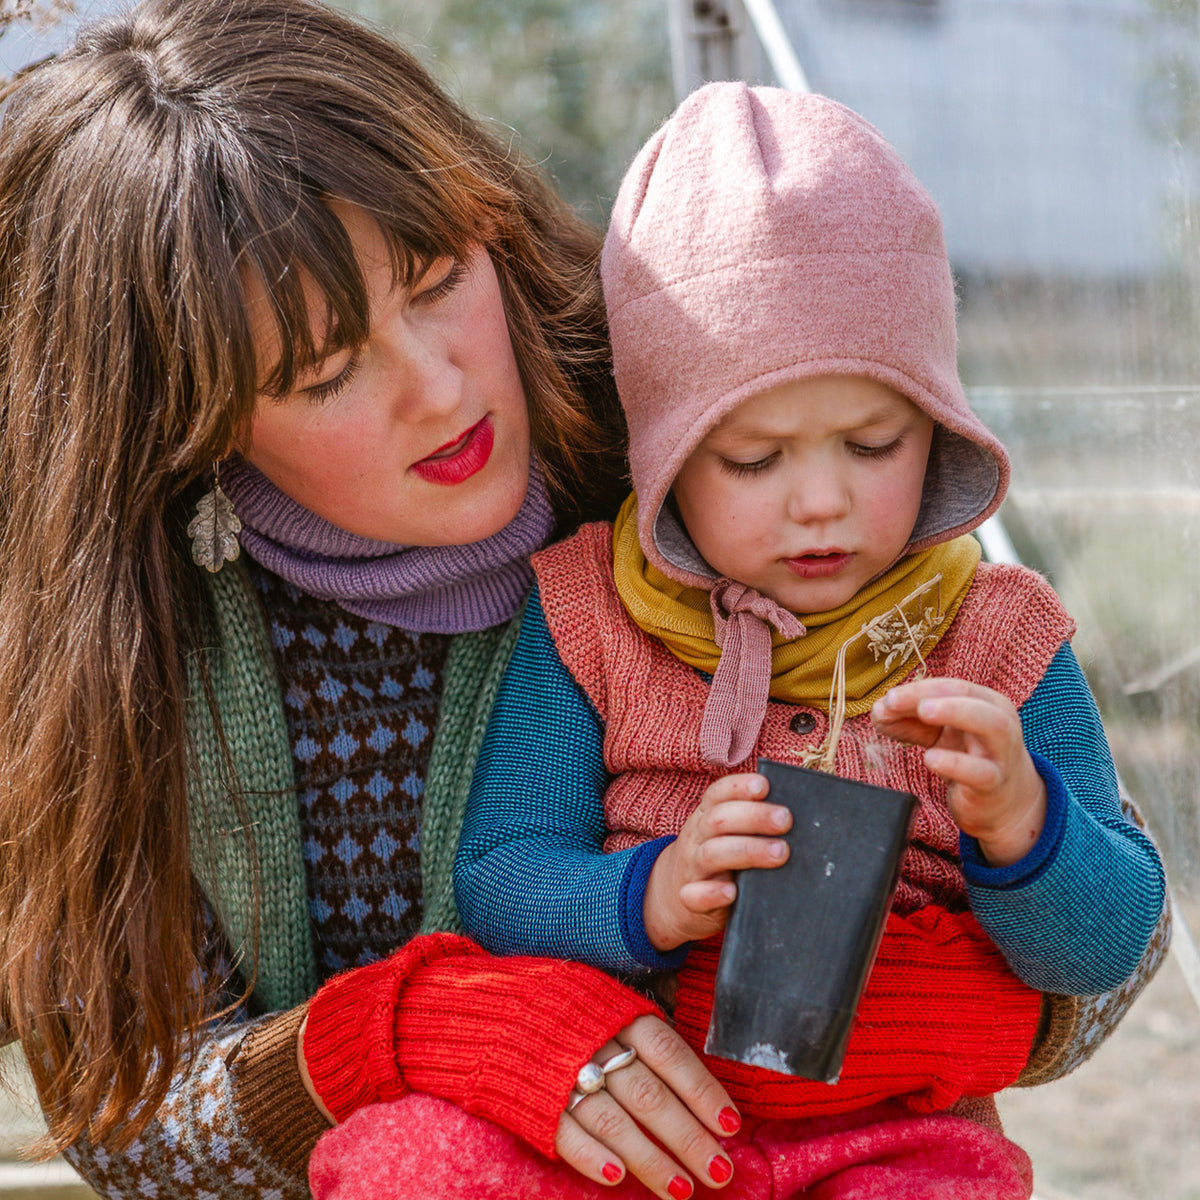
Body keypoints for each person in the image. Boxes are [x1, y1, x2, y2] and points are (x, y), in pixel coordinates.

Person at [0, 5, 771, 1197]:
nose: (440, 385)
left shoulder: (713, 464)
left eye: (436, 278)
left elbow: (1100, 954)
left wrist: (985, 995)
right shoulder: (124, 651)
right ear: (190, 424)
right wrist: (389, 1037)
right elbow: (124, 1118)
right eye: (325, 371)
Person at [448, 85, 1163, 1198]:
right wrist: (651, 893)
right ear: (666, 458)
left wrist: (1026, 826)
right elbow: (497, 876)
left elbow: (1111, 944)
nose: (821, 502)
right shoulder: (590, 615)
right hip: (635, 1129)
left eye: (874, 442)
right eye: (752, 460)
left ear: (938, 425)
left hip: (895, 1142)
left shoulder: (999, 636)